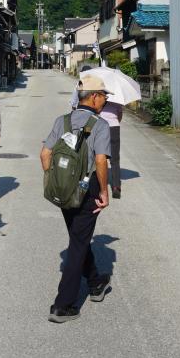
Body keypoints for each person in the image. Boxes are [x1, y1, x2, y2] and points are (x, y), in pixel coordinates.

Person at [41, 76, 112, 323]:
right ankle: (63, 305)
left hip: (63, 187)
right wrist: (104, 191)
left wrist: (55, 180)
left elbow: (45, 153)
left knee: (78, 236)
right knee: (78, 243)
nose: (106, 100)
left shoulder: (63, 121)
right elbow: (101, 161)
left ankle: (94, 282)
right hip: (87, 188)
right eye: (105, 95)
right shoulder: (101, 125)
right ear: (94, 96)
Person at [70, 71, 124, 199]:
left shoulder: (98, 96)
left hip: (97, 125)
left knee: (98, 157)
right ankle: (116, 186)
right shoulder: (117, 98)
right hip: (114, 126)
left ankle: (98, 184)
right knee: (114, 159)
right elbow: (119, 115)